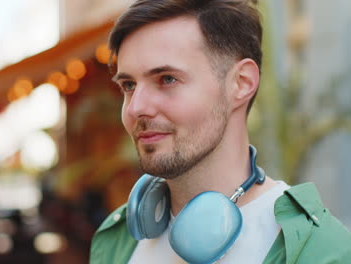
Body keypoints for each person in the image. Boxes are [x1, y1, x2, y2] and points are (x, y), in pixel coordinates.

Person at [90, 0, 351, 263]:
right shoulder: (116, 238)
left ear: (241, 83)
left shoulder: (321, 251)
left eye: (167, 79)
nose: (136, 108)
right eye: (129, 85)